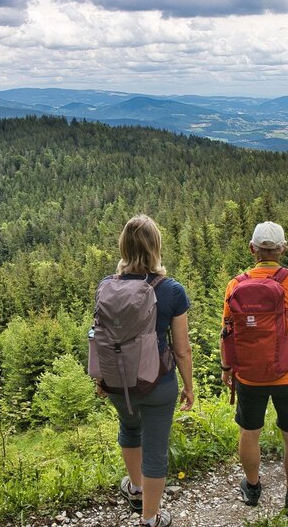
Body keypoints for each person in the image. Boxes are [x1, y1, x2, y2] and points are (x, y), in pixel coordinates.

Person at [220, 221, 288, 513]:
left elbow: (227, 332)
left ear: (252, 249)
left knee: (249, 432)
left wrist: (227, 367)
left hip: (249, 375)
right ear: (283, 249)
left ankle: (252, 489)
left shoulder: (236, 284)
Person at [95, 214, 194, 527]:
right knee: (155, 450)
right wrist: (189, 386)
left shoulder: (106, 286)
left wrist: (100, 378)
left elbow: (101, 334)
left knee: (129, 428)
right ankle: (150, 519)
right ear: (156, 247)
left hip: (115, 381)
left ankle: (135, 488)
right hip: (157, 384)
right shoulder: (172, 291)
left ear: (123, 247)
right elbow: (181, 349)